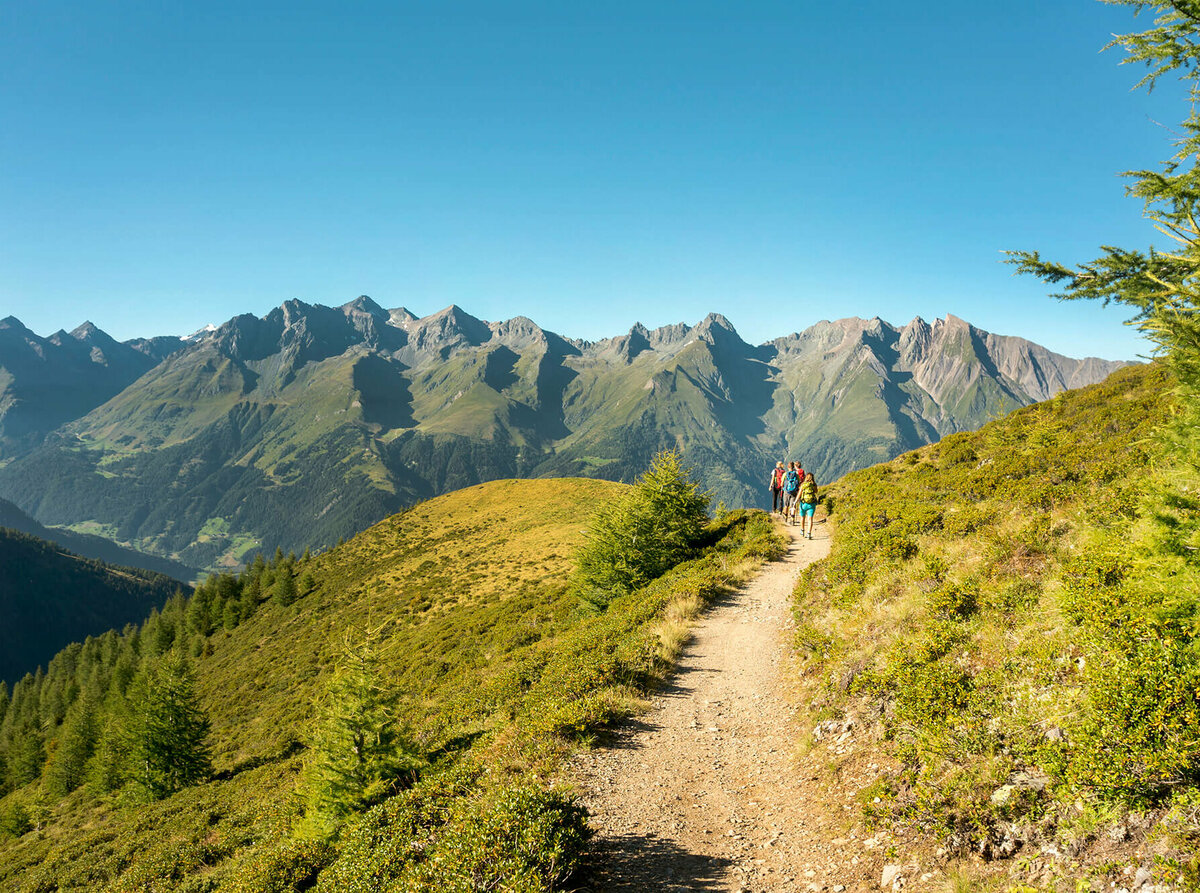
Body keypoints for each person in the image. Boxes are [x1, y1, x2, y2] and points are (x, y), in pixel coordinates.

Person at [798, 471, 818, 539]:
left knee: (802, 517)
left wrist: (795, 502)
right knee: (810, 519)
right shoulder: (814, 485)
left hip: (803, 503)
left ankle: (802, 530)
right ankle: (809, 533)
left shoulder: (803, 484)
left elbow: (799, 494)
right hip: (811, 504)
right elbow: (816, 491)